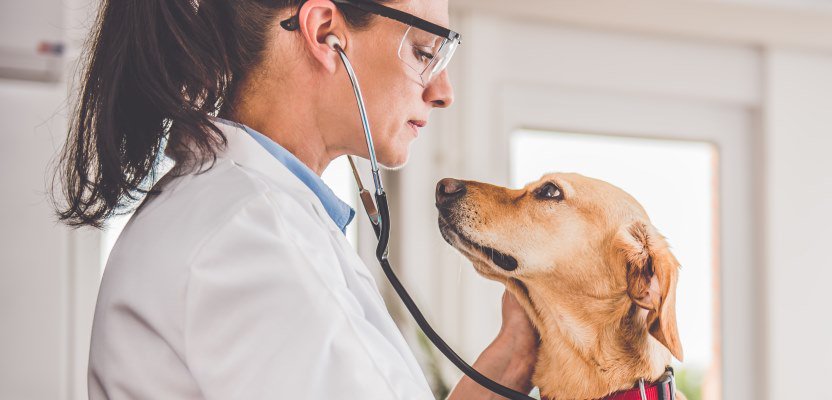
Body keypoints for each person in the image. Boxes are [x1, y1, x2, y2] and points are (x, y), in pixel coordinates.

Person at [54, 0, 537, 398]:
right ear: (325, 32)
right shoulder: (244, 237)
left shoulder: (259, 218)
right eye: (423, 51)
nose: (443, 91)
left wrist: (516, 352)